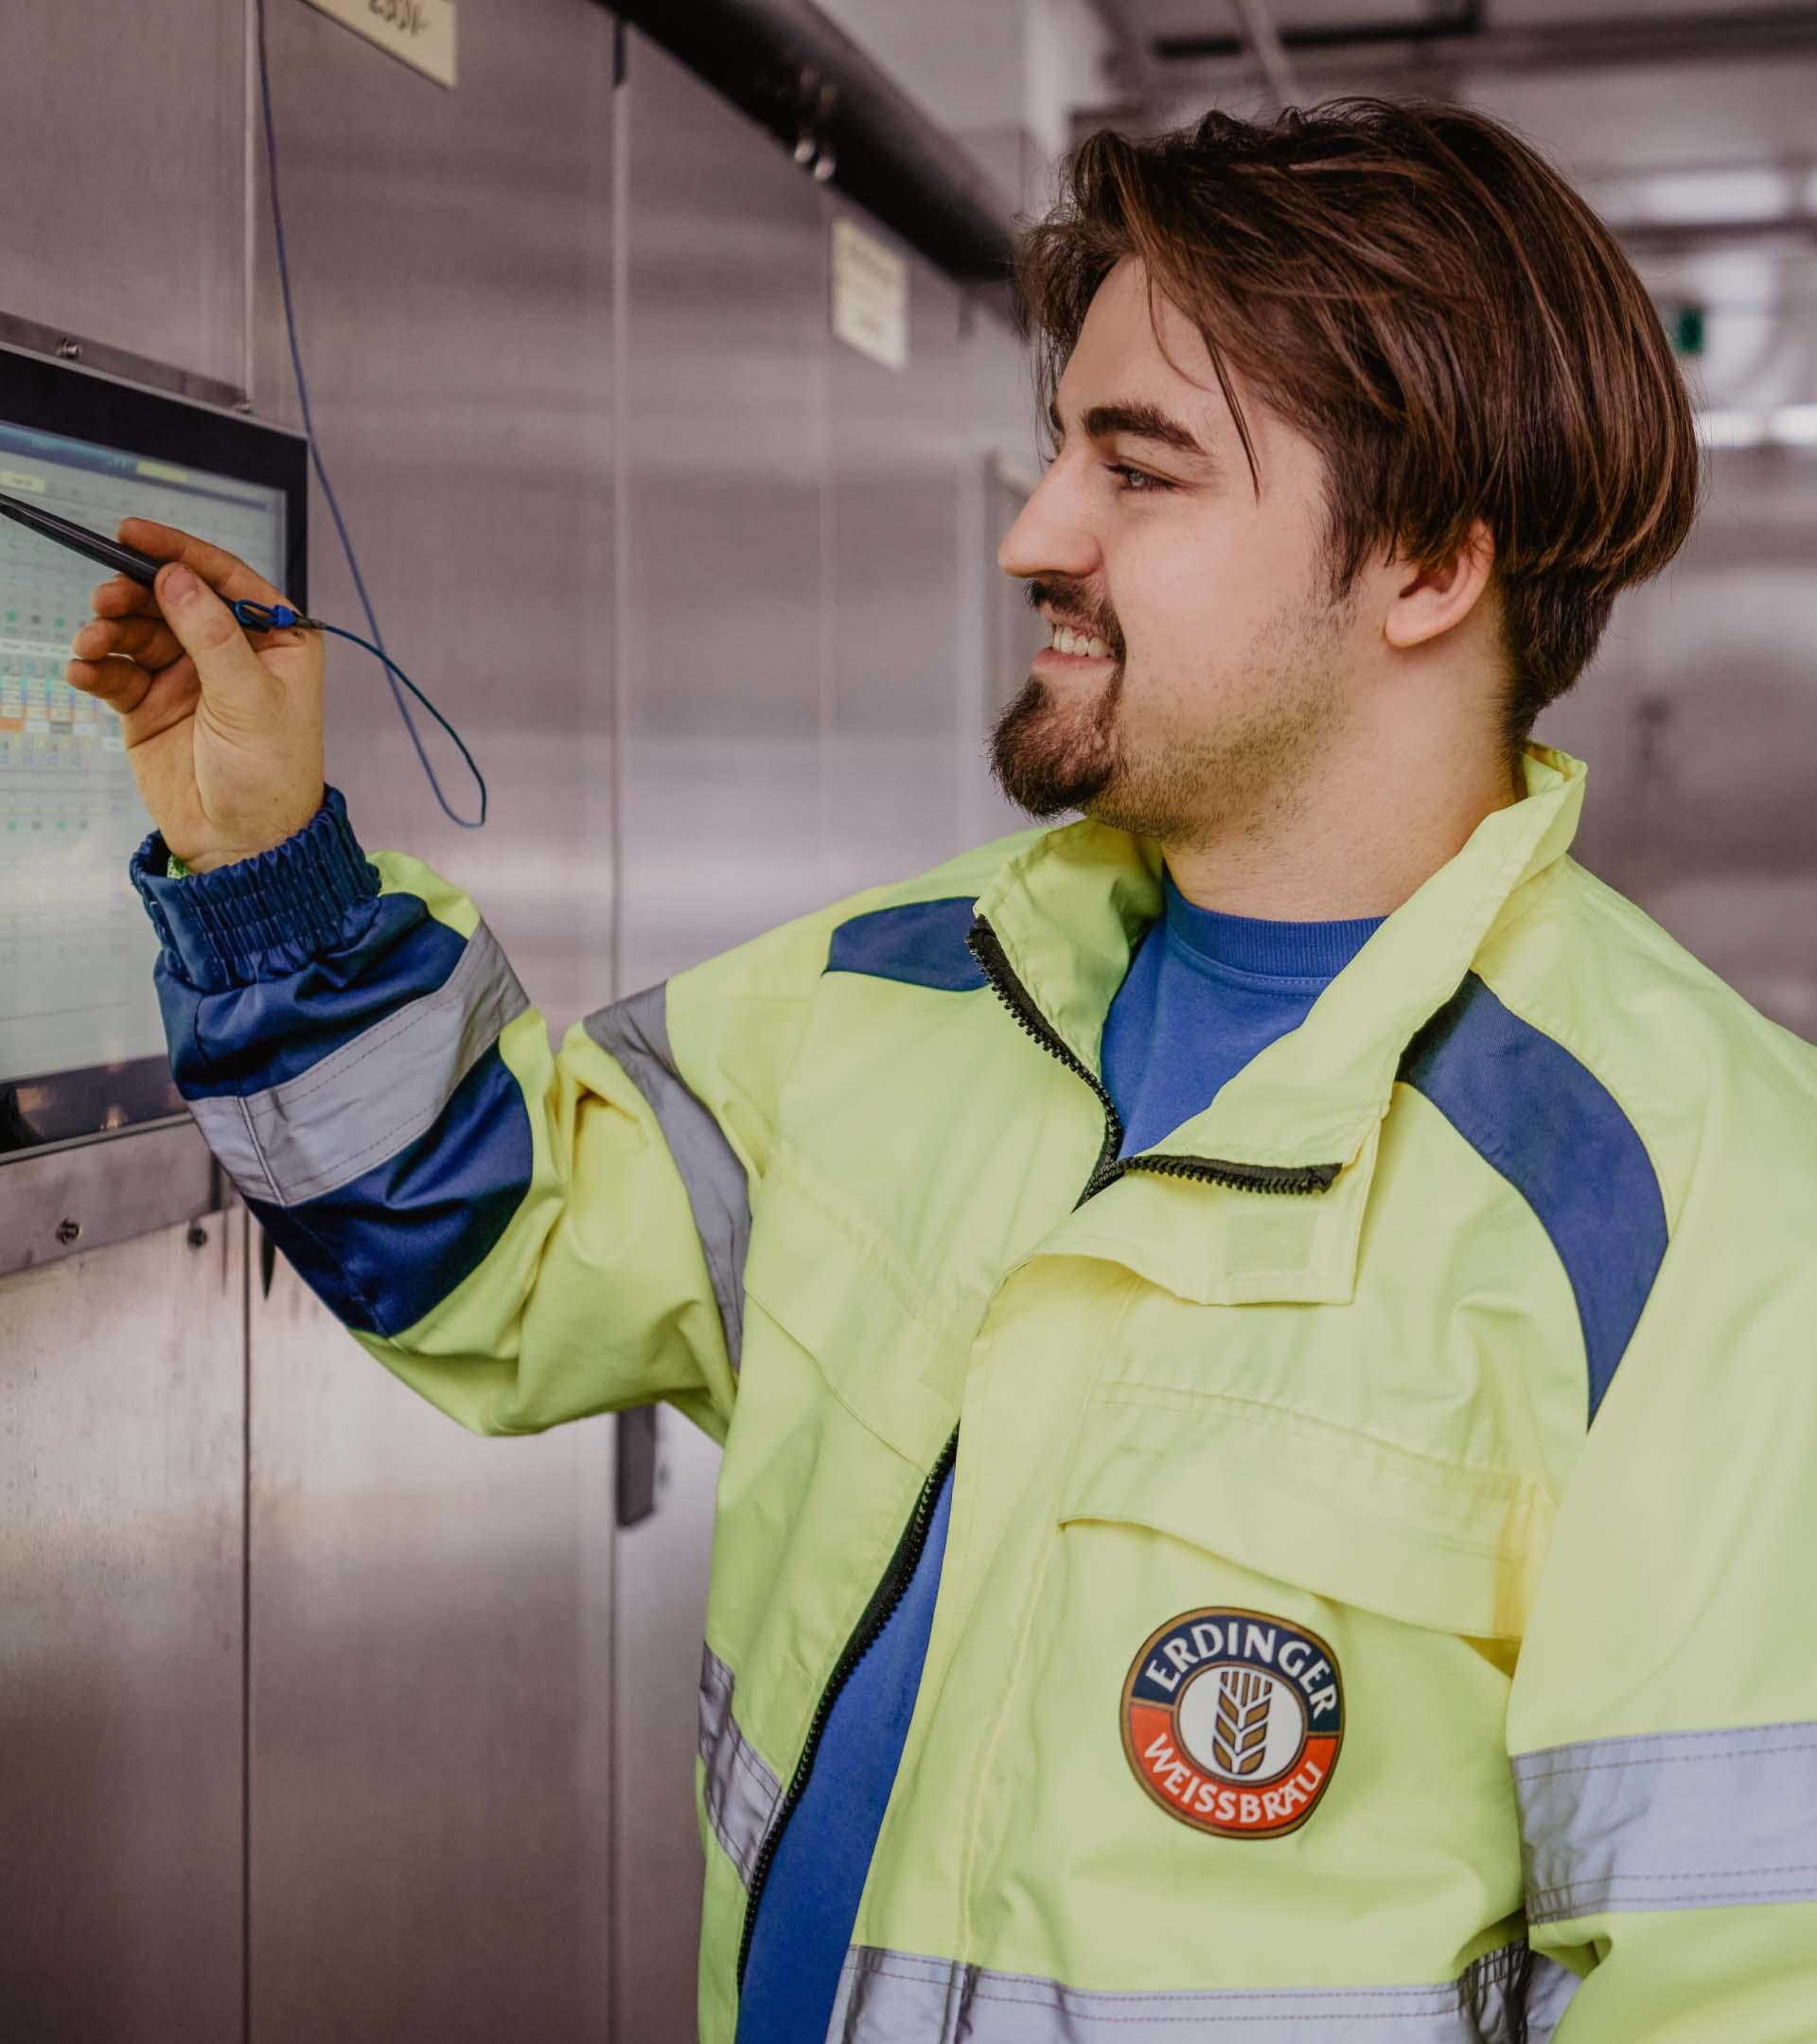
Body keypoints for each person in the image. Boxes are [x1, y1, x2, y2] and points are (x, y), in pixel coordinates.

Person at [69, 97, 1817, 2044]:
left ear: (1423, 566)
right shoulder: (910, 988)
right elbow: (499, 1237)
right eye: (1060, 445)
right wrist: (265, 864)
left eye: (1135, 471)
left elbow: (1739, 1984)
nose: (1032, 534)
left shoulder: (1712, 1211)